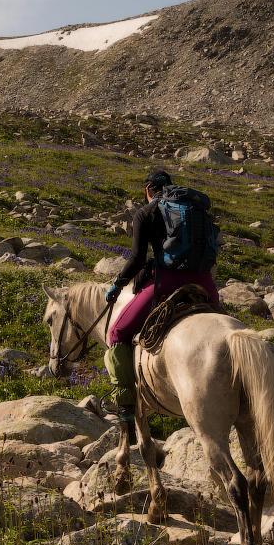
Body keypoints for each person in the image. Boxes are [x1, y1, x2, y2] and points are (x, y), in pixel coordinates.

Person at [102, 169, 221, 412]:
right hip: (205, 283)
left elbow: (136, 259)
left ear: (148, 190)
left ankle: (126, 403)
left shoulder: (145, 213)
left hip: (168, 281)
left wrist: (117, 285)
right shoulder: (195, 211)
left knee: (117, 332)